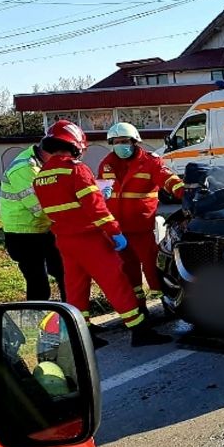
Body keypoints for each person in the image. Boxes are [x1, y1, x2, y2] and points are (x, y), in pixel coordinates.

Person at [32, 120, 170, 348]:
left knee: (76, 288)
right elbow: (96, 208)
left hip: (65, 242)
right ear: (75, 145)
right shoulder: (76, 170)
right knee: (116, 283)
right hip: (90, 240)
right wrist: (114, 232)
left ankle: (82, 337)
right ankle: (139, 330)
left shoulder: (40, 177)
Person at [98, 122, 184, 311]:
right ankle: (138, 307)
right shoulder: (107, 164)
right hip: (117, 230)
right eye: (117, 142)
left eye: (125, 141)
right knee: (128, 271)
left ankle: (166, 304)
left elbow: (168, 179)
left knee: (152, 267)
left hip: (141, 227)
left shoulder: (150, 162)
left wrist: (184, 194)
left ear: (135, 141)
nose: (121, 145)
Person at [0, 141, 66, 301]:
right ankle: (36, 320)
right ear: (52, 150)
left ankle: (72, 320)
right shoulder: (24, 168)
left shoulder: (44, 163)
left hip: (45, 229)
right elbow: (39, 208)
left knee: (65, 273)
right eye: (62, 155)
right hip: (23, 234)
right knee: (38, 283)